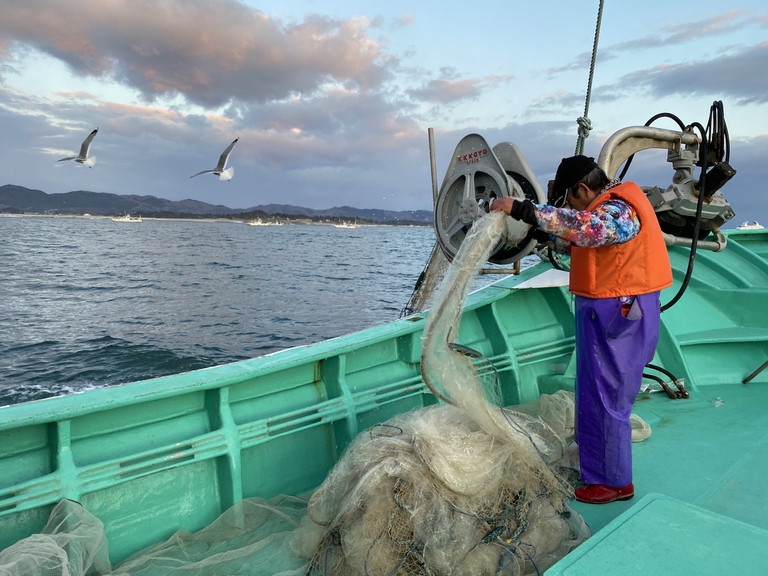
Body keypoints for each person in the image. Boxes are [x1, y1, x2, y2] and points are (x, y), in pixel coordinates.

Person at [490, 155, 672, 504]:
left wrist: (527, 210)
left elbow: (593, 229)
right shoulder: (605, 209)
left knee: (609, 400)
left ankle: (615, 482)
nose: (572, 209)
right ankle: (597, 470)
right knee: (593, 396)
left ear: (584, 189)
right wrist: (542, 230)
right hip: (602, 314)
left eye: (571, 201)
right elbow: (583, 240)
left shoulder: (619, 209)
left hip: (619, 320)